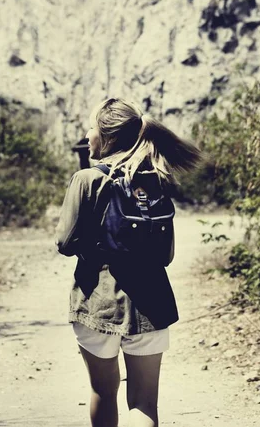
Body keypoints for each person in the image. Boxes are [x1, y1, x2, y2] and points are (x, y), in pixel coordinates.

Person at [55, 97, 202, 427]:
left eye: (91, 127)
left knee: (103, 393)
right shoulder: (158, 178)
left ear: (106, 136)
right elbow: (166, 254)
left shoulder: (88, 179)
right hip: (153, 302)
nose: (87, 133)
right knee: (144, 402)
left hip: (98, 303)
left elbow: (64, 243)